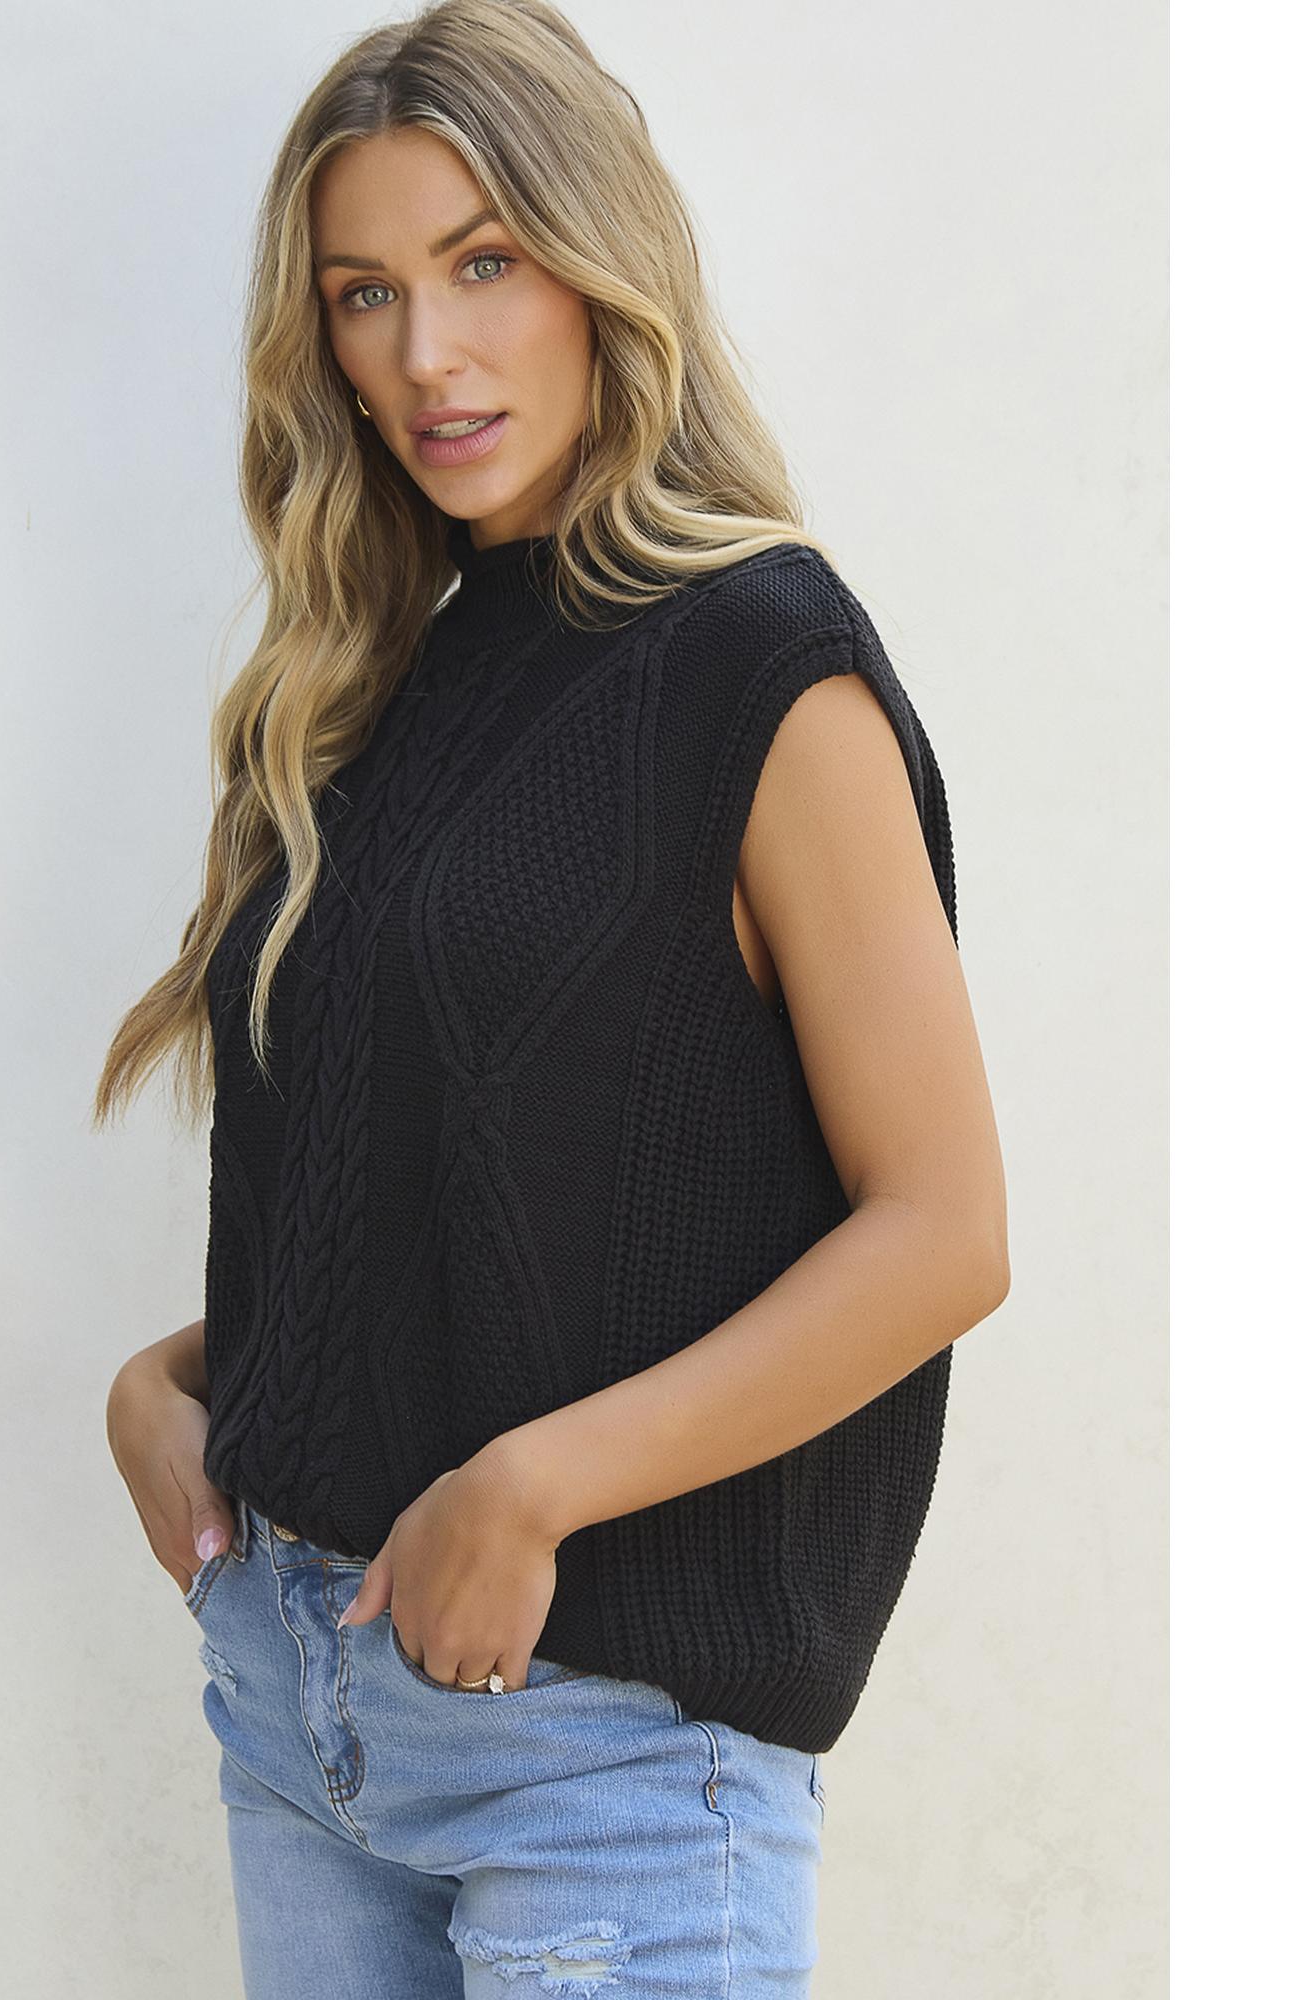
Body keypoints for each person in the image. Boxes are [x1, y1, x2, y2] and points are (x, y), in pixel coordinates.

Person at [97, 3, 1009, 1992]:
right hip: (298, 1720)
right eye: (364, 294)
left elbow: (941, 1233)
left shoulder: (764, 665)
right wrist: (177, 1382)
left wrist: (537, 1483)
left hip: (601, 1760)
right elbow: (461, 1203)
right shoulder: (374, 689)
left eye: (483, 263)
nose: (425, 354)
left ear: (603, 267)